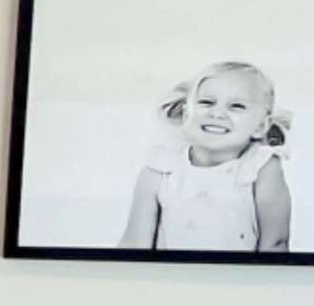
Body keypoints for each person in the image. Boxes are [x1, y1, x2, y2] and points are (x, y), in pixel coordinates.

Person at [119, 59, 292, 254]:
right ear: (187, 114)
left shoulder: (260, 168)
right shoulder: (160, 170)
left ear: (260, 126)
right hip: (172, 272)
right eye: (206, 102)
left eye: (236, 106)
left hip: (238, 273)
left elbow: (275, 243)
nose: (216, 113)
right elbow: (135, 243)